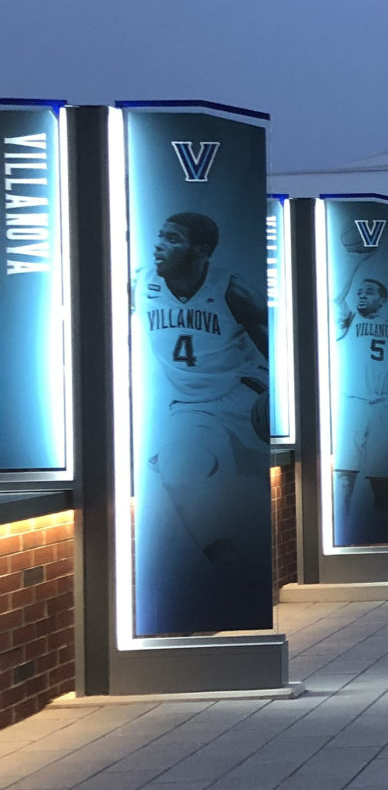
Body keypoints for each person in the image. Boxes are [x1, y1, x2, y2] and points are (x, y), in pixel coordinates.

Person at [140, 211, 268, 569]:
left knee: (253, 484)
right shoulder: (139, 284)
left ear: (201, 250)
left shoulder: (232, 289)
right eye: (160, 235)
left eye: (172, 239)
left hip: (245, 391)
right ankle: (226, 567)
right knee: (181, 468)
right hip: (192, 403)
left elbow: (275, 347)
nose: (159, 245)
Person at [334, 257, 388, 528]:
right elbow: (336, 295)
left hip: (383, 404)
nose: (361, 294)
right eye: (359, 291)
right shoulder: (348, 319)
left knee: (382, 474)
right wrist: (355, 262)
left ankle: (385, 528)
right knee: (345, 471)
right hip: (352, 402)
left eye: (369, 291)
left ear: (383, 300)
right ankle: (341, 523)